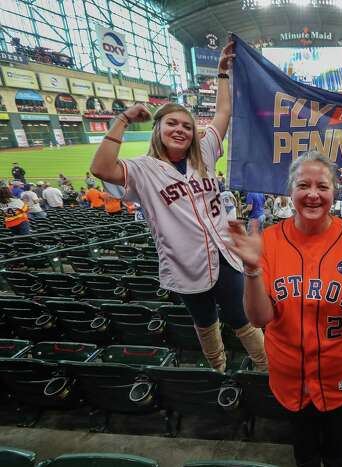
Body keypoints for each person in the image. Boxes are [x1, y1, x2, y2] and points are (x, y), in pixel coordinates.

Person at [89, 38, 267, 373]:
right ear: (157, 129)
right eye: (172, 123)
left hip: (225, 255)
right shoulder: (142, 170)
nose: (181, 130)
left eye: (186, 125)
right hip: (185, 266)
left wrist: (222, 75)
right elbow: (100, 169)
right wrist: (124, 119)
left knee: (243, 319)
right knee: (205, 323)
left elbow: (224, 112)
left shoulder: (205, 151)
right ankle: (218, 370)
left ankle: (265, 366)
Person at [228, 152, 342, 467]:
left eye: (322, 186)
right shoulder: (270, 240)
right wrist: (251, 270)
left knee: (336, 450)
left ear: (334, 193)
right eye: (304, 185)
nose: (313, 194)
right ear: (291, 191)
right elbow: (259, 319)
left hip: (339, 375)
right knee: (303, 451)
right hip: (289, 376)